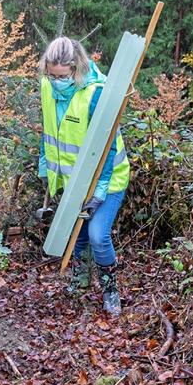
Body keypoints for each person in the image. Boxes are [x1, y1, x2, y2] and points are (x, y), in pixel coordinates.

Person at [38, 37, 130, 315]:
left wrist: (100, 190)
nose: (56, 82)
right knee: (76, 232)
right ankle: (80, 280)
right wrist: (45, 166)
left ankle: (110, 290)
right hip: (73, 179)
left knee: (98, 235)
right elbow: (48, 128)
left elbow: (107, 145)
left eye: (62, 77)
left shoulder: (96, 94)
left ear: (76, 69)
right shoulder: (47, 87)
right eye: (52, 76)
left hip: (109, 178)